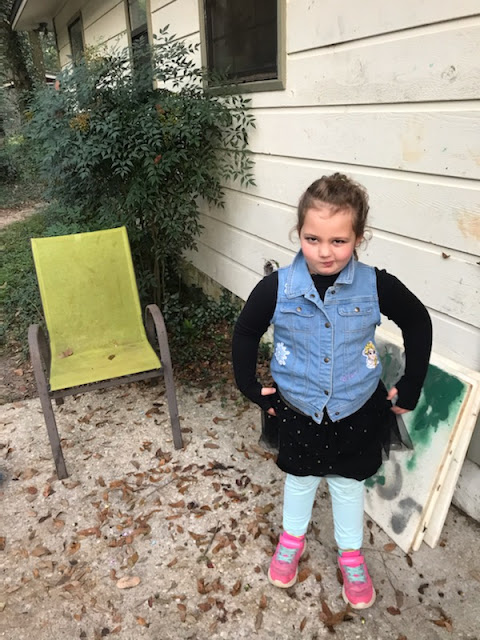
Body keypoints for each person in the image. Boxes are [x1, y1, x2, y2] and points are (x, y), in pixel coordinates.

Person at [232, 173, 432, 609]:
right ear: (299, 233)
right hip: (298, 408)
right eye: (313, 239)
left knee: (346, 483)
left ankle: (351, 554)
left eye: (339, 241)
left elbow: (418, 321)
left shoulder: (376, 286)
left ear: (359, 237)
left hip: (355, 409)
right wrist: (248, 385)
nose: (325, 251)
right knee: (300, 479)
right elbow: (246, 331)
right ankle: (292, 540)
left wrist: (411, 384)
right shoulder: (278, 288)